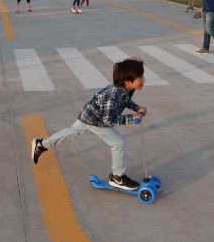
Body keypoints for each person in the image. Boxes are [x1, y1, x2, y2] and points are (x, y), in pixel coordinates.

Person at [30, 58, 148, 191]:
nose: (144, 80)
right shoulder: (113, 95)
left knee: (72, 131)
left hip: (89, 114)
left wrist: (136, 108)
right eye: (140, 77)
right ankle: (117, 177)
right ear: (127, 81)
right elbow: (108, 121)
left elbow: (124, 101)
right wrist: (131, 118)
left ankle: (42, 144)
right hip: (96, 120)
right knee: (118, 142)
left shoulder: (125, 89)